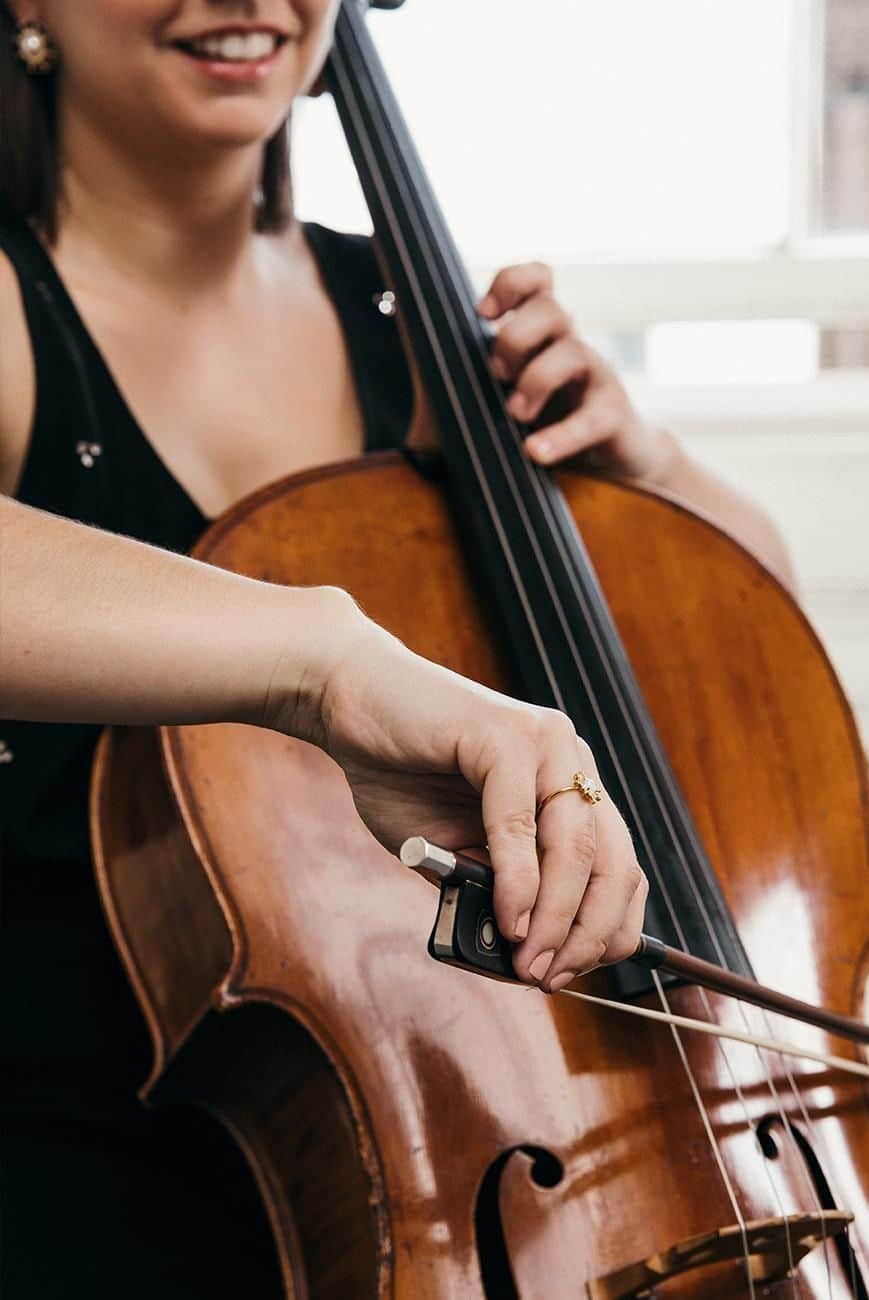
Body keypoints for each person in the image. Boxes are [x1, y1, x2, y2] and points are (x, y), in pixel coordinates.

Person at [0, 1, 795, 1294]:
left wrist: (643, 466)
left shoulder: (412, 317)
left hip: (450, 1160)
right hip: (89, 1190)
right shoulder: (13, 314)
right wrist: (327, 657)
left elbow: (754, 653)